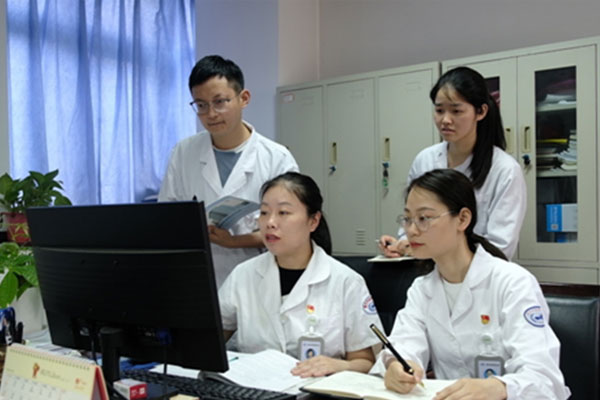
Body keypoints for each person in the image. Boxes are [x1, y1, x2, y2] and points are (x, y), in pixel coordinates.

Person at [378, 169, 569, 400]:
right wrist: (397, 367)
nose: (411, 230)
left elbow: (543, 379)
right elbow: (404, 345)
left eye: (424, 218)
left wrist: (498, 388)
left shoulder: (513, 283)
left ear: (463, 219)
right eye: (408, 219)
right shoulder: (422, 289)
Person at [219, 172, 383, 377]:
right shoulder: (243, 275)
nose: (270, 222)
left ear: (313, 221)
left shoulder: (346, 282)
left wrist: (337, 366)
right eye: (264, 212)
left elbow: (366, 362)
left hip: (318, 390)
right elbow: (210, 340)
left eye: (283, 212)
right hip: (254, 388)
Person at [159, 55, 298, 287]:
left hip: (257, 279)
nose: (211, 114)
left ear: (244, 98)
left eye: (220, 102)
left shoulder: (276, 158)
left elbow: (291, 229)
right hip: (200, 278)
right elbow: (167, 217)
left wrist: (234, 241)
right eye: (201, 105)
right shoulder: (183, 153)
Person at [379, 67, 526, 260]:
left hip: (478, 273)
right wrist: (401, 244)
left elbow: (500, 247)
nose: (445, 120)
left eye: (456, 111)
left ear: (481, 112)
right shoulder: (425, 160)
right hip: (425, 268)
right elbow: (412, 221)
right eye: (439, 110)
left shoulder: (504, 170)